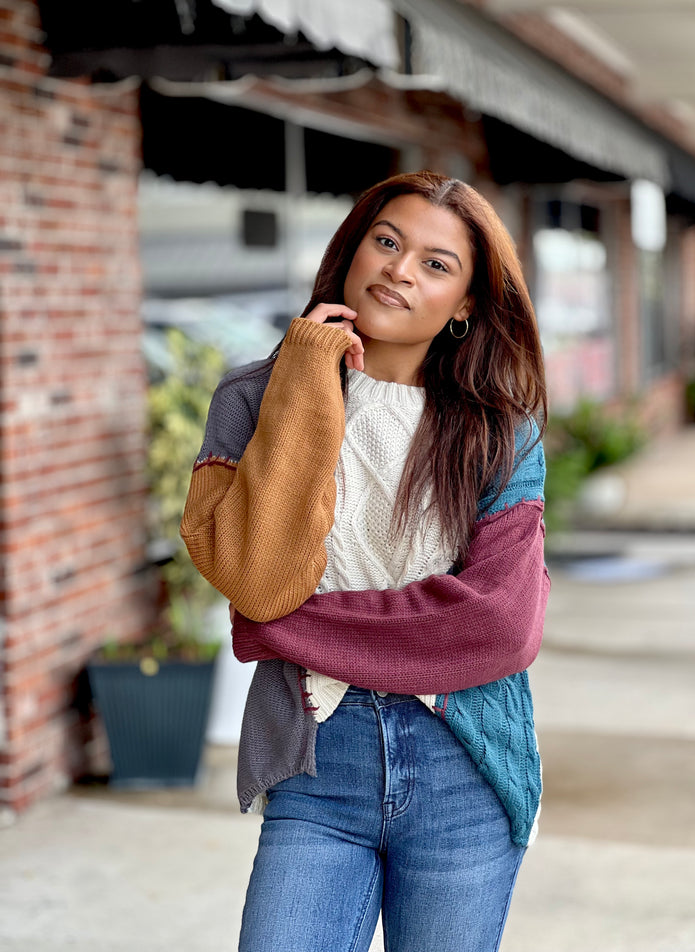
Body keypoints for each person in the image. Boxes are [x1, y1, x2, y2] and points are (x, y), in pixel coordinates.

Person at [181, 171, 550, 952]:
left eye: (436, 263)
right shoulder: (250, 401)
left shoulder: (501, 435)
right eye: (387, 241)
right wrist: (309, 371)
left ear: (469, 305)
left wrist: (280, 629)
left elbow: (496, 630)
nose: (399, 269)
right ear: (353, 249)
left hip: (465, 765)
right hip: (318, 762)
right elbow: (259, 576)